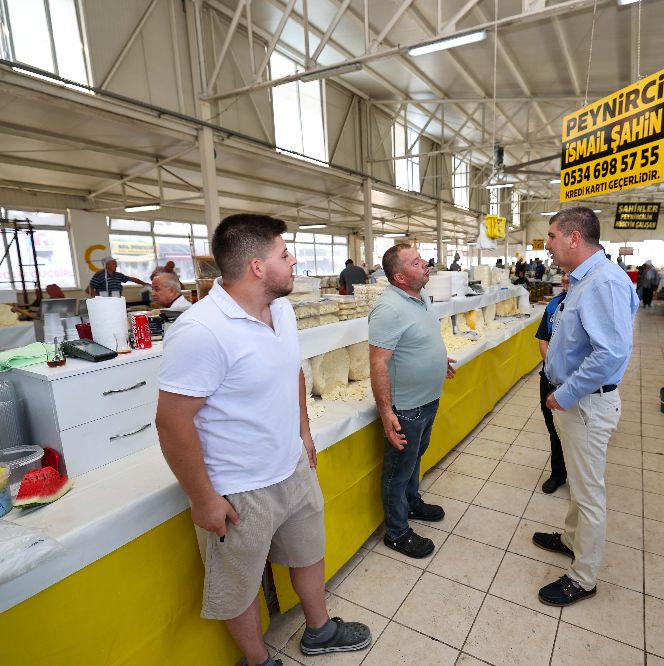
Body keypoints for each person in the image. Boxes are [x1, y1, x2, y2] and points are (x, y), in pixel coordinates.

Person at [156, 214, 371, 665]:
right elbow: (172, 422)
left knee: (308, 553)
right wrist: (203, 498)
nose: (293, 262)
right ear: (257, 266)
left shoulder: (283, 311)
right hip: (239, 487)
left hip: (290, 466)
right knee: (240, 584)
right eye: (284, 254)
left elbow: (292, 372)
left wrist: (304, 433)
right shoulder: (201, 330)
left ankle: (320, 630)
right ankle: (259, 661)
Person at [536, 206, 637, 607]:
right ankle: (570, 540)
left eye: (551, 236)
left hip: (586, 405)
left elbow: (609, 354)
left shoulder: (602, 283)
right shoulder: (583, 280)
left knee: (589, 492)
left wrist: (565, 393)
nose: (547, 244)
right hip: (578, 402)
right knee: (579, 483)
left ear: (574, 237)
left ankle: (584, 576)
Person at [369, 244, 456, 559]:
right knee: (398, 469)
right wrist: (386, 411)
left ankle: (412, 503)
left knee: (416, 457)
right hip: (406, 407)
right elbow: (378, 363)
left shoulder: (418, 299)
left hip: (428, 399)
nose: (425, 265)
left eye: (422, 259)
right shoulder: (388, 308)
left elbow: (420, 340)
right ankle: (396, 531)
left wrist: (439, 360)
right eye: (416, 262)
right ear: (399, 276)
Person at [536, 272, 569, 494]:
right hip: (550, 378)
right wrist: (553, 365)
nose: (566, 277)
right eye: (563, 273)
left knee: (577, 435)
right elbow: (542, 338)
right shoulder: (554, 305)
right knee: (554, 429)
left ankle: (579, 478)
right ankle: (558, 474)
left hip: (576, 382)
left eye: (571, 272)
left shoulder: (589, 303)